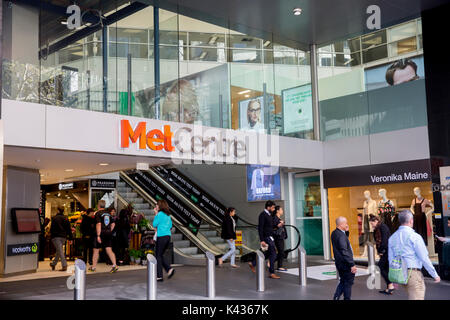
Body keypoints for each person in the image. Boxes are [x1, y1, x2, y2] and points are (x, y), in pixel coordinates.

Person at [388, 210, 440, 300]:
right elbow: (424, 258)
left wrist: (394, 278)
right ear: (411, 220)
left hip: (400, 273)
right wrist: (434, 274)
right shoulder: (415, 237)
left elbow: (391, 259)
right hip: (413, 273)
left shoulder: (392, 237)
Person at [248, 200, 279, 279]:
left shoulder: (269, 215)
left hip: (270, 237)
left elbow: (270, 226)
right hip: (267, 237)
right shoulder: (262, 215)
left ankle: (253, 263)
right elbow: (260, 228)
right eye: (272, 208)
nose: (274, 209)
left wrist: (278, 225)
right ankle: (271, 273)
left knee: (268, 254)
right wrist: (262, 240)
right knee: (273, 254)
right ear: (268, 207)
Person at [331, 217, 357, 300]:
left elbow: (343, 241)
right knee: (348, 283)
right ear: (341, 224)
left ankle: (336, 297)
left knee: (343, 281)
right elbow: (344, 251)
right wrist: (352, 264)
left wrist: (346, 232)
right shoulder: (341, 236)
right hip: (345, 263)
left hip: (339, 262)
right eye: (345, 223)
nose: (347, 225)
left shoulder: (334, 233)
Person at [91, 200, 119, 273]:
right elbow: (113, 224)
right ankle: (114, 265)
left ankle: (93, 267)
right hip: (108, 233)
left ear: (98, 205)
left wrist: (98, 235)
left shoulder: (97, 213)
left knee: (96, 250)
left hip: (100, 233)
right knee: (109, 250)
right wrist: (109, 230)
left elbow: (99, 224)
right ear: (105, 205)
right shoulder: (108, 214)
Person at [369, 214, 394, 294]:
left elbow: (384, 240)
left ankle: (390, 285)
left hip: (386, 251)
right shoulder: (378, 228)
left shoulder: (382, 227)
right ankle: (389, 288)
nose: (371, 225)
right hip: (385, 250)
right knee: (386, 268)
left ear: (376, 221)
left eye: (372, 223)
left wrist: (381, 251)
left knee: (380, 267)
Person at [153, 200, 175, 281]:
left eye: (156, 205)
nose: (156, 207)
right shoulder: (168, 215)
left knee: (158, 256)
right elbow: (170, 226)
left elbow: (154, 224)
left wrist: (156, 214)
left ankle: (159, 276)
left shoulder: (160, 214)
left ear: (160, 206)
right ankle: (169, 269)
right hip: (168, 237)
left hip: (161, 236)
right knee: (160, 255)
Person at [49, 207, 73, 271]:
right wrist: (70, 238)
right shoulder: (66, 218)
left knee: (60, 251)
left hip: (56, 237)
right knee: (59, 251)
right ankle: (53, 264)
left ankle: (64, 265)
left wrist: (51, 236)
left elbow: (52, 229)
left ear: (58, 210)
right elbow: (69, 229)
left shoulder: (54, 218)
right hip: (63, 237)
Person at [273, 206, 288, 271]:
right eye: (281, 209)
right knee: (281, 251)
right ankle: (279, 266)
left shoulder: (279, 218)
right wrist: (278, 225)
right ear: (277, 211)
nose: (282, 210)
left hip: (281, 237)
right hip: (278, 237)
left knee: (281, 251)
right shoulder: (275, 219)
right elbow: (273, 228)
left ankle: (272, 262)